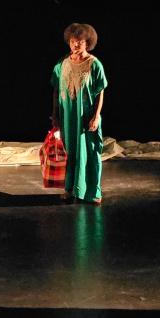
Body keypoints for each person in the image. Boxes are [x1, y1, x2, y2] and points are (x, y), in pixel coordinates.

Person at [51, 23, 108, 204]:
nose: (76, 45)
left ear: (87, 43)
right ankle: (70, 189)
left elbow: (100, 92)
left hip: (86, 117)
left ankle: (92, 192)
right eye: (72, 41)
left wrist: (96, 116)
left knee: (89, 152)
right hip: (68, 118)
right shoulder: (62, 64)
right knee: (69, 152)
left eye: (80, 41)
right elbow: (56, 91)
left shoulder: (94, 64)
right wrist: (55, 115)